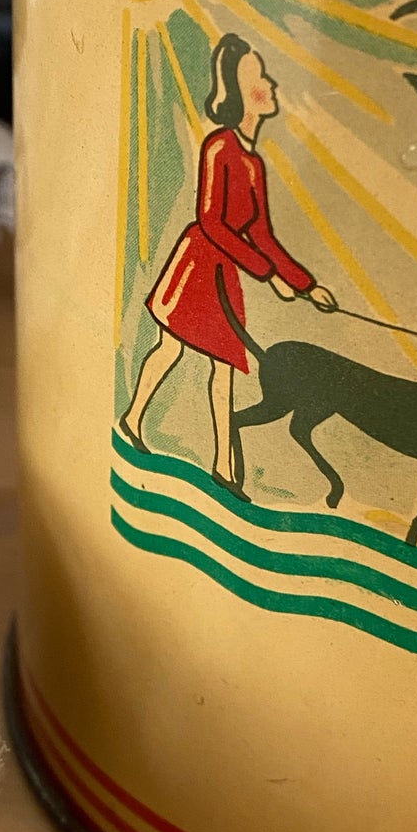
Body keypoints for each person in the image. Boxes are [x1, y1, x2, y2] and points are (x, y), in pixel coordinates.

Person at [120, 31, 335, 499]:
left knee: (223, 366)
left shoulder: (253, 162)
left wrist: (303, 284)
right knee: (171, 348)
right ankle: (135, 420)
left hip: (226, 272)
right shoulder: (220, 146)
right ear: (241, 91)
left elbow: (262, 233)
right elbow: (211, 221)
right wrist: (266, 274)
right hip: (198, 262)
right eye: (261, 77)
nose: (271, 85)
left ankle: (222, 467)